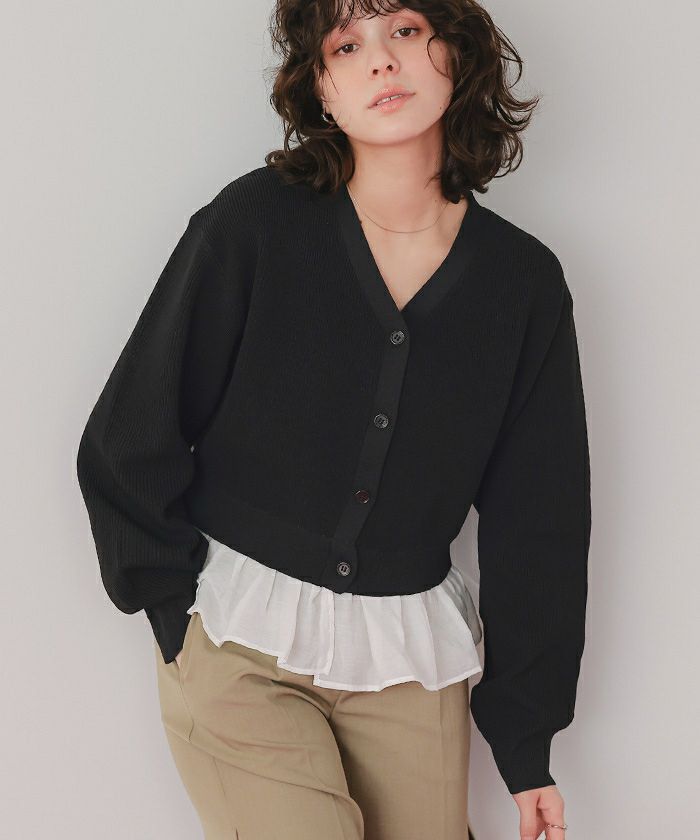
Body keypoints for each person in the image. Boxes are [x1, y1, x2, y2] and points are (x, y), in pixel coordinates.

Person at [76, 1, 590, 838]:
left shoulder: (522, 285)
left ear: (457, 53)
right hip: (239, 641)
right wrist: (173, 611)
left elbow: (541, 522)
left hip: (407, 659)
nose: (381, 61)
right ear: (322, 89)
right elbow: (133, 428)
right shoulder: (255, 223)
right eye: (347, 46)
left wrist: (527, 745)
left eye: (406, 31)